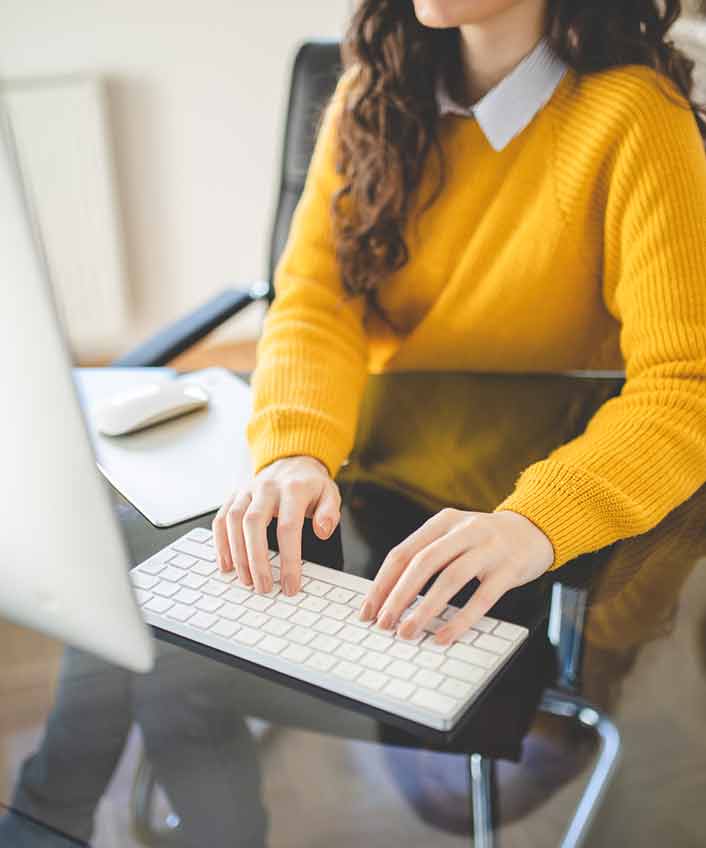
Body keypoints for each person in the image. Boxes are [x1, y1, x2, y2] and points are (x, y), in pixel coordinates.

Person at [212, 0, 706, 644]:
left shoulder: (637, 116)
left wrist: (538, 523)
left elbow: (686, 384)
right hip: (373, 493)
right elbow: (316, 303)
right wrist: (296, 451)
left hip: (565, 518)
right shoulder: (374, 94)